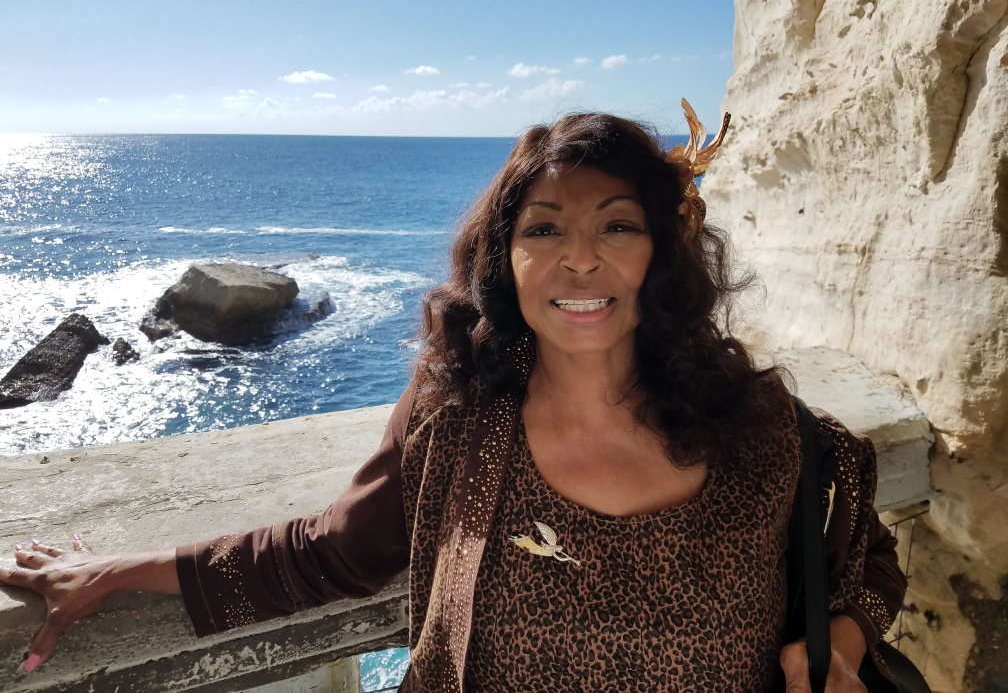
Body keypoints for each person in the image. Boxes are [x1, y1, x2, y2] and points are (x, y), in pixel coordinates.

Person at [0, 104, 906, 692]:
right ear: (505, 261)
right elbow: (332, 551)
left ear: (661, 254)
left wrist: (840, 646)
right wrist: (121, 571)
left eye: (617, 227)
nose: (579, 258)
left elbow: (864, 556)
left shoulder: (759, 430)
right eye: (544, 229)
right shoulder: (459, 422)